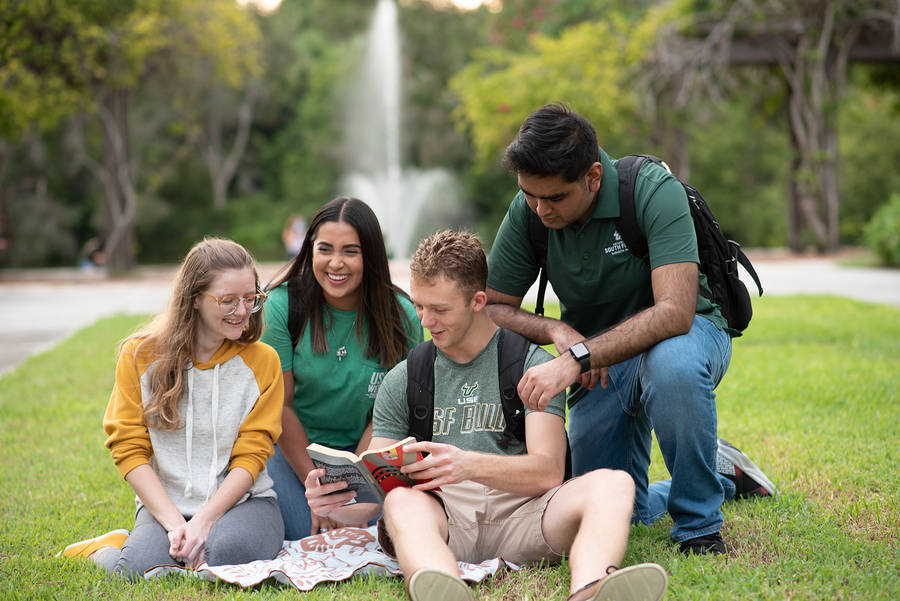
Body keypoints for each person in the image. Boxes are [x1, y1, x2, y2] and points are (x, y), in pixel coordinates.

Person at [305, 230, 669, 601]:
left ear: (478, 301)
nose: (426, 321)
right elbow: (378, 482)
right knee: (400, 502)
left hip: (527, 516)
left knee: (615, 484)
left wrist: (467, 465)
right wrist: (339, 501)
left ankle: (591, 590)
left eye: (440, 309)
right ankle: (440, 586)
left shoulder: (530, 364)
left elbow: (547, 471)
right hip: (444, 521)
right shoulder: (406, 376)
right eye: (419, 306)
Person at [484, 102, 776, 556]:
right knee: (613, 510)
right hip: (600, 361)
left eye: (555, 198)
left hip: (688, 337)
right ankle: (725, 473)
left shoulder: (651, 191)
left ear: (593, 177)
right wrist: (555, 329)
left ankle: (699, 526)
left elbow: (675, 313)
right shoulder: (529, 211)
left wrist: (579, 357)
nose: (540, 209)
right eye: (529, 194)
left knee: (671, 365)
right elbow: (494, 309)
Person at [58, 238, 285, 578]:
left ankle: (197, 542)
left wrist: (205, 522)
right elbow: (128, 448)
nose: (242, 311)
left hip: (246, 504)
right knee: (138, 570)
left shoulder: (264, 362)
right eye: (228, 301)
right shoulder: (139, 356)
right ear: (194, 298)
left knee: (224, 556)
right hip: (167, 508)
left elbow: (252, 456)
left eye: (250, 299)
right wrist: (176, 524)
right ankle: (112, 547)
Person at [261, 196, 423, 540]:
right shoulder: (281, 306)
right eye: (325, 249)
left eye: (351, 251)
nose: (336, 263)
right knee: (300, 531)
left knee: (388, 523)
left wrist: (356, 483)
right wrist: (321, 493)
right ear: (309, 251)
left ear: (372, 256)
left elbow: (386, 416)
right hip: (294, 453)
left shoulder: (403, 315)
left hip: (368, 450)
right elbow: (281, 406)